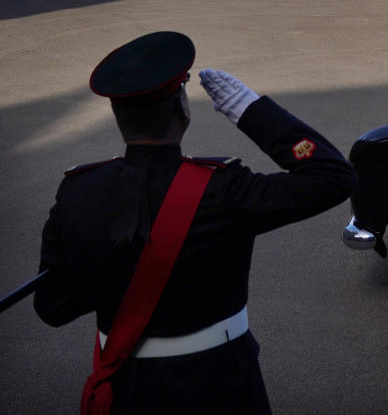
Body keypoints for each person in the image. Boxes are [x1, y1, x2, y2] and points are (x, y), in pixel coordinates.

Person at [33, 32, 356, 415]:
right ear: (182, 111)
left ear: (119, 118)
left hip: (124, 387)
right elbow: (333, 176)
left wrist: (109, 273)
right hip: (218, 383)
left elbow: (53, 307)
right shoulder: (222, 190)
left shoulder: (77, 192)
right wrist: (249, 110)